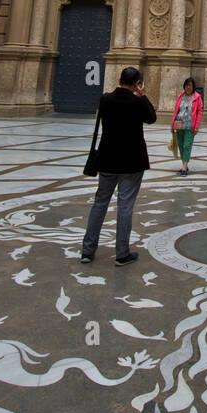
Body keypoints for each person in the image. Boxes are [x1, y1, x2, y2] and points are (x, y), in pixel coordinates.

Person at [80, 66, 156, 266]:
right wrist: (143, 96)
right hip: (132, 162)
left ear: (120, 79)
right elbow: (152, 118)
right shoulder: (137, 102)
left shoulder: (105, 99)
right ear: (136, 83)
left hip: (107, 160)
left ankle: (87, 251)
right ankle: (122, 254)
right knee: (125, 206)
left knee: (100, 204)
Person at [170, 76, 203, 177]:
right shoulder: (180, 96)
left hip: (190, 126)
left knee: (187, 146)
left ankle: (184, 167)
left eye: (190, 85)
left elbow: (199, 112)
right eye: (187, 85)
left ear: (193, 87)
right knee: (181, 145)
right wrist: (172, 125)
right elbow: (176, 111)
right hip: (179, 125)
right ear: (184, 86)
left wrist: (196, 126)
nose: (188, 87)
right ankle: (184, 164)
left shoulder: (197, 97)